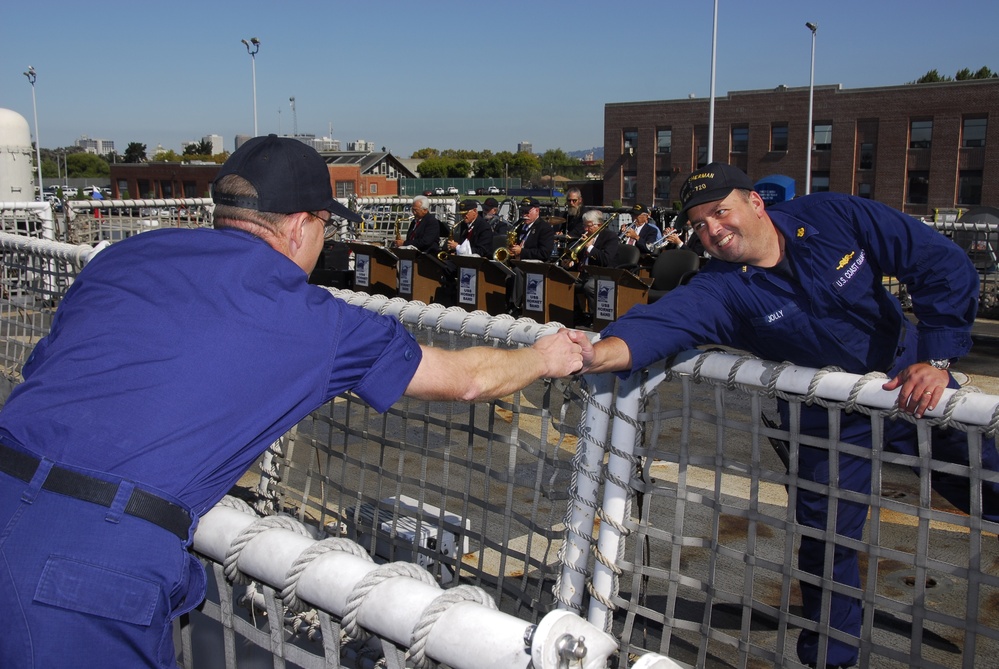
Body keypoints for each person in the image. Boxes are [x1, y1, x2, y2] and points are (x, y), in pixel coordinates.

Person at [0, 135, 584, 668]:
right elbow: (465, 379)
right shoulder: (317, 322)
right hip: (90, 564)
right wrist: (546, 356)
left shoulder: (123, 258)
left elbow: (48, 372)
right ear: (303, 225)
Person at [567, 162, 999, 669]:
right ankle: (830, 659)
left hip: (911, 385)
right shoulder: (723, 288)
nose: (713, 231)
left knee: (991, 480)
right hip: (825, 417)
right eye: (700, 224)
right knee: (827, 543)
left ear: (756, 202)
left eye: (721, 212)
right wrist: (595, 352)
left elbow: (938, 263)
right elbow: (662, 322)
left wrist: (939, 358)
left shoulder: (833, 216)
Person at [572, 209, 620, 327]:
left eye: (589, 226)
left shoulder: (610, 237)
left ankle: (596, 317)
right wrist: (571, 261)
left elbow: (605, 260)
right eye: (584, 226)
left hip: (602, 273)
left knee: (590, 286)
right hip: (584, 272)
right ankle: (577, 315)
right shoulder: (586, 235)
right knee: (564, 279)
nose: (586, 229)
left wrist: (590, 247)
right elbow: (579, 256)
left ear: (599, 225)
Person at [510, 197, 555, 262]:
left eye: (527, 212)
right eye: (522, 211)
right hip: (517, 262)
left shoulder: (545, 228)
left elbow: (544, 253)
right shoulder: (519, 224)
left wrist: (522, 252)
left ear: (537, 211)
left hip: (534, 265)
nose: (524, 215)